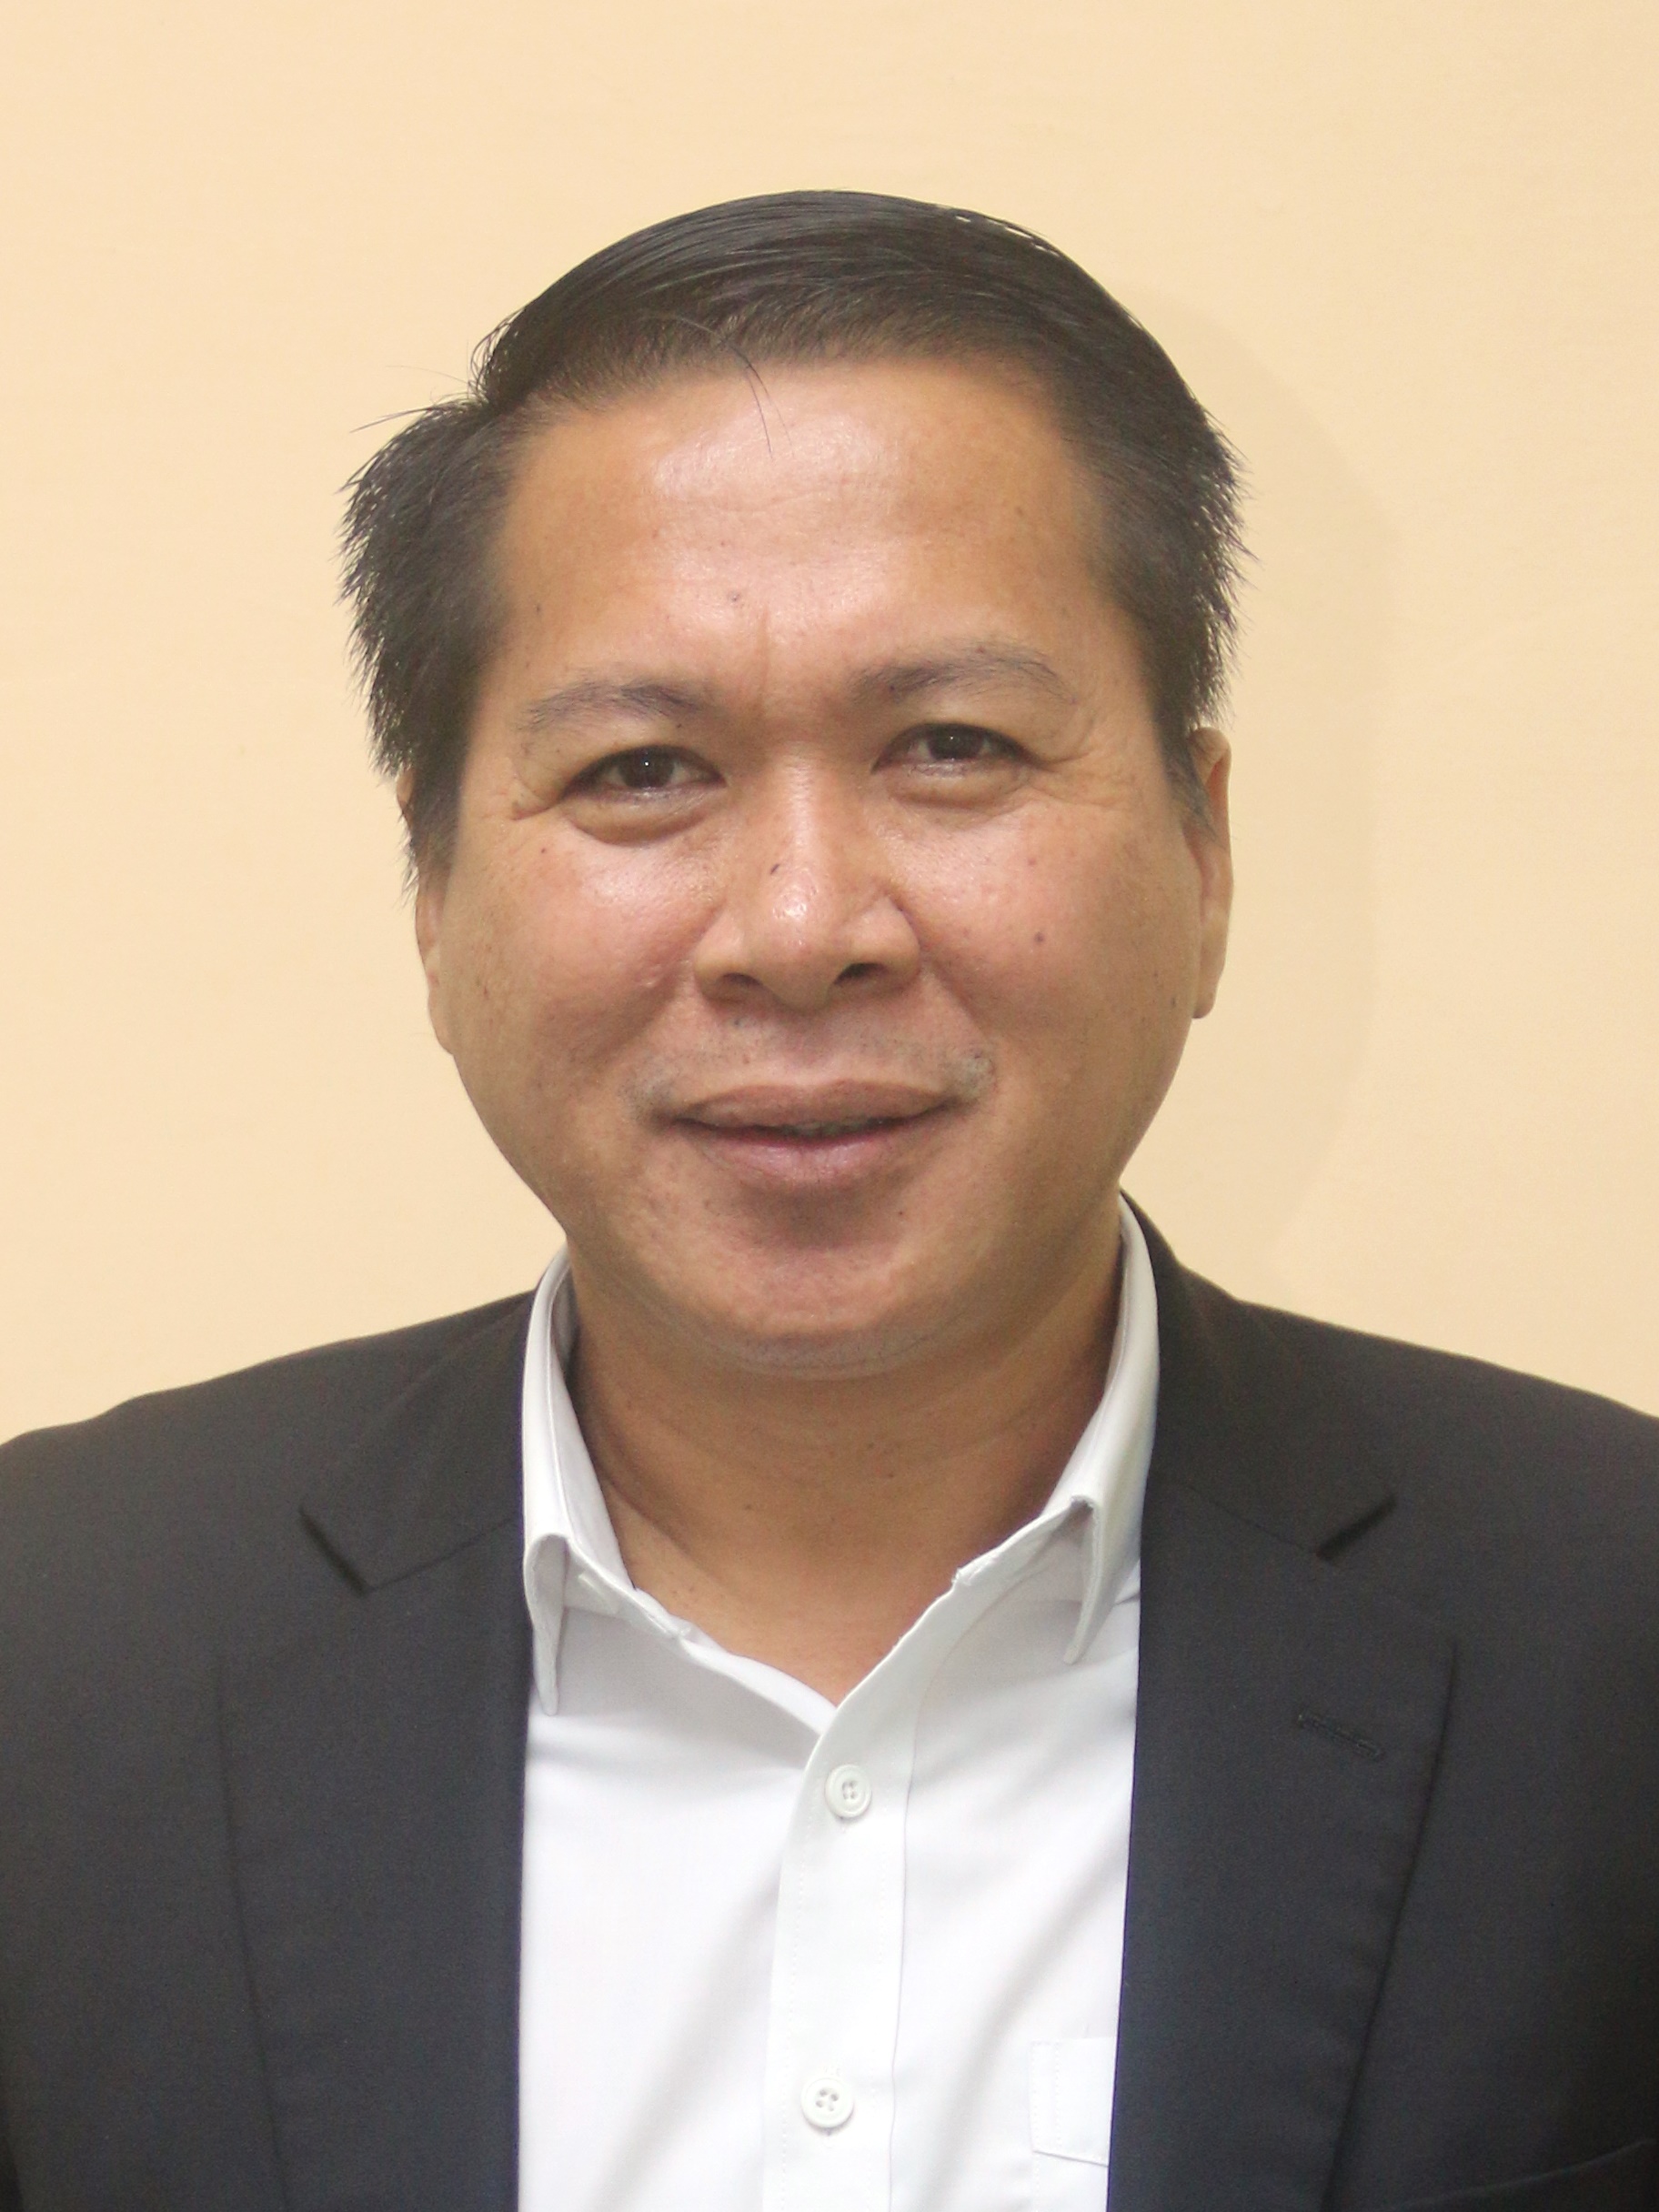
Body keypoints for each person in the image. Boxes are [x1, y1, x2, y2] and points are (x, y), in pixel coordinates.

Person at [0, 192, 1654, 2212]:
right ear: (432, 891)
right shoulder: (52, 1646)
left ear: (1206, 853)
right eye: (642, 771)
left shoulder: (1611, 1638)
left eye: (953, 746)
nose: (799, 928)